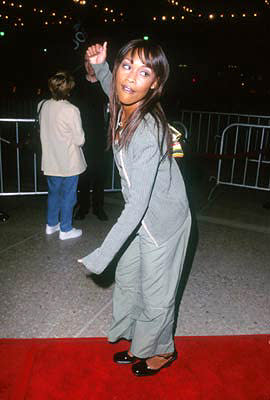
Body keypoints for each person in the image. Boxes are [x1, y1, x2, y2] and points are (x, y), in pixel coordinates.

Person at [78, 40, 191, 377]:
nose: (130, 78)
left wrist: (102, 254)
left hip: (162, 222)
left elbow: (139, 205)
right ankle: (140, 341)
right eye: (126, 65)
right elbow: (107, 82)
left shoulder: (146, 130)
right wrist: (97, 65)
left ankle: (164, 350)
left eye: (144, 72)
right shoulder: (122, 100)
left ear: (154, 84)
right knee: (129, 281)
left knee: (157, 293)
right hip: (141, 217)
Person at [39, 71, 87, 240]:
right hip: (69, 162)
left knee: (53, 194)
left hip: (51, 161)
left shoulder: (42, 105)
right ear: (68, 90)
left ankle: (51, 224)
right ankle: (66, 229)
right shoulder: (71, 110)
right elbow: (80, 140)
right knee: (68, 195)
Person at [73, 55, 109, 221]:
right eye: (86, 61)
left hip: (101, 137)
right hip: (81, 138)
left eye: (92, 62)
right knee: (83, 175)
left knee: (100, 175)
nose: (89, 66)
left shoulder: (106, 86)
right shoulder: (77, 85)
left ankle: (99, 208)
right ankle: (83, 207)